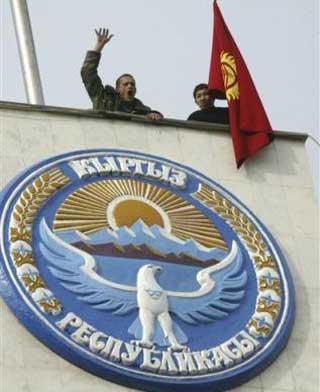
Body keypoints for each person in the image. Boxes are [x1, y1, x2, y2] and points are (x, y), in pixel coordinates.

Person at [81, 28, 163, 120]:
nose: (130, 86)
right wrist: (98, 47)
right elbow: (87, 73)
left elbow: (154, 118)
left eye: (132, 84)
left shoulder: (142, 110)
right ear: (117, 89)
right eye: (125, 84)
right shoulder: (103, 98)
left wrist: (155, 114)